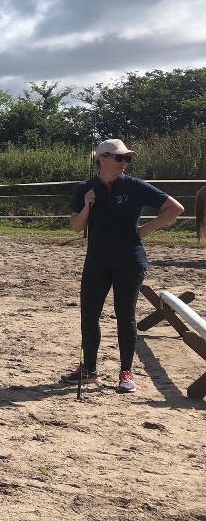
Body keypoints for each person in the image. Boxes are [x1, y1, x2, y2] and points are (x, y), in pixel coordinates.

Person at [63, 139, 184, 394]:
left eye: (127, 158)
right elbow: (76, 226)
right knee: (89, 314)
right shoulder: (85, 188)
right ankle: (89, 369)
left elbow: (175, 208)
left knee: (125, 315)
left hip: (130, 261)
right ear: (102, 159)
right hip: (96, 261)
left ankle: (126, 371)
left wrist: (144, 230)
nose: (124, 162)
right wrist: (87, 206)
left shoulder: (134, 186)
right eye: (120, 158)